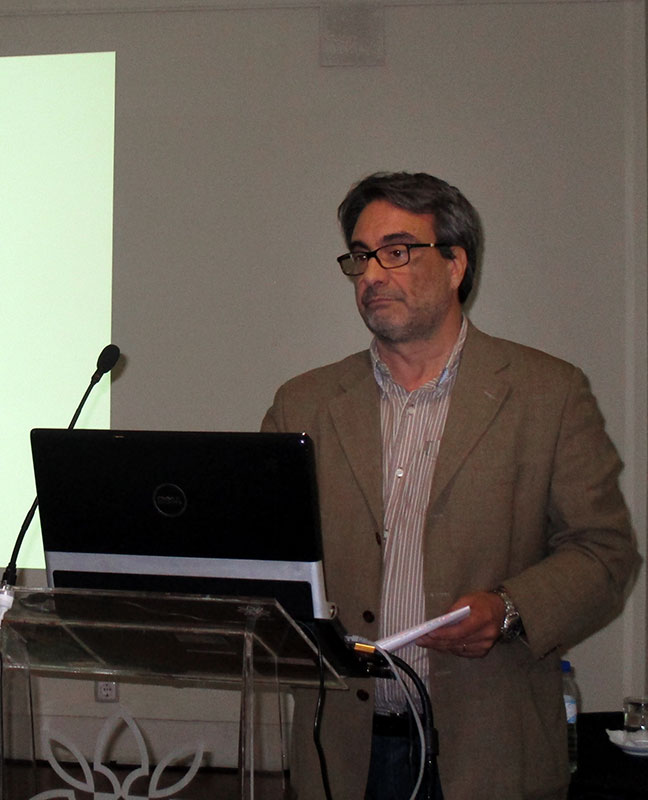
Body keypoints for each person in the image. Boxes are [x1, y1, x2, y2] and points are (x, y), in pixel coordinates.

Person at [261, 171, 641, 799]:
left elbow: (605, 554)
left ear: (456, 263)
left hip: (490, 749)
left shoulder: (549, 394)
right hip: (347, 751)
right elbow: (268, 554)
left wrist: (510, 608)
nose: (373, 273)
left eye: (398, 251)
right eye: (361, 256)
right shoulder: (303, 403)